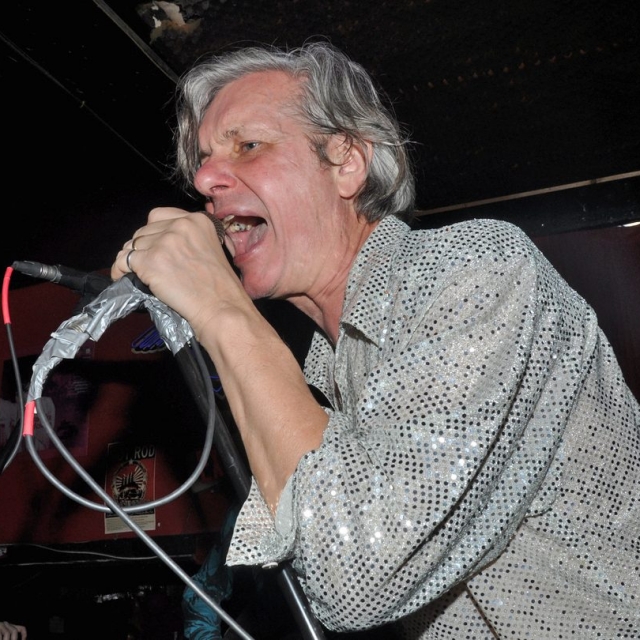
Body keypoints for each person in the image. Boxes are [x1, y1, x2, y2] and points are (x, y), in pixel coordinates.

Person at [111, 41, 640, 639]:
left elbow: (357, 570)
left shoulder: (478, 271)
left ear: (348, 163)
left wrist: (222, 310)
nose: (204, 178)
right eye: (203, 161)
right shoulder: (326, 374)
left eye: (248, 145)